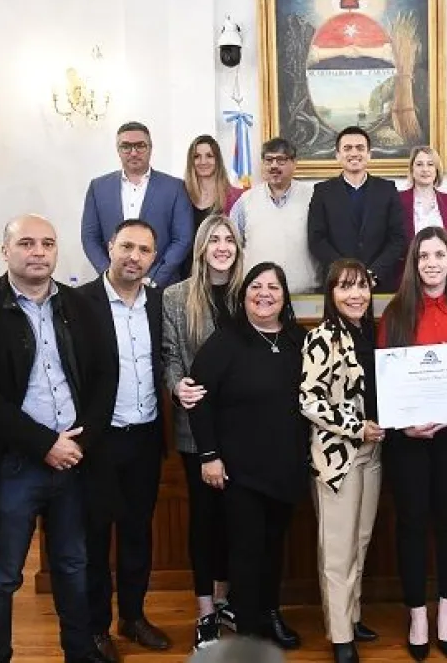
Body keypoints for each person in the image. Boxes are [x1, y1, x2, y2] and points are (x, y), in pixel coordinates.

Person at [0, 214, 111, 663]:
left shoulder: (82, 306)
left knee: (74, 567)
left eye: (47, 243)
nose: (38, 251)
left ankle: (80, 654)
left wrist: (81, 442)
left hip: (75, 461)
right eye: (26, 243)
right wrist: (44, 444)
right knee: (2, 575)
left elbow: (104, 379)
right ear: (6, 251)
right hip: (13, 464)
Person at [378, 228, 447, 660]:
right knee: (411, 526)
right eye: (423, 256)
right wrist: (405, 427)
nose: (431, 263)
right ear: (414, 263)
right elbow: (386, 383)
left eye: (439, 255)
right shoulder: (394, 313)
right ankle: (417, 615)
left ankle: (446, 611)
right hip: (409, 442)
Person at [188, 263, 309, 651]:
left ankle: (270, 613)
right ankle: (250, 632)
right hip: (239, 473)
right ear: (244, 295)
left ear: (284, 296)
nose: (264, 293)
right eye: (256, 286)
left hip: (285, 468)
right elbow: (197, 400)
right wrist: (209, 456)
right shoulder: (227, 340)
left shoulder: (297, 340)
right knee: (246, 551)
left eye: (274, 287)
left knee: (275, 548)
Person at [77, 219, 169, 660]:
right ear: (110, 247)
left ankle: (132, 617)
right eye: (127, 246)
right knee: (96, 538)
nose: (134, 256)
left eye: (144, 250)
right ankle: (96, 628)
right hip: (99, 442)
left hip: (147, 437)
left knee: (137, 533)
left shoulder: (158, 304)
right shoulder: (78, 303)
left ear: (154, 257)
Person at [162, 215, 245, 650]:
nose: (221, 246)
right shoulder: (177, 296)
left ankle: (226, 598)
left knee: (235, 519)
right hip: (196, 426)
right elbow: (170, 354)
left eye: (228, 239)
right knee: (204, 522)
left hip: (240, 428)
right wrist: (177, 385)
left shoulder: (248, 293)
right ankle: (205, 612)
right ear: (200, 247)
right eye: (214, 239)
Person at [300, 259, 384, 663]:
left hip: (375, 453)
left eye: (362, 286)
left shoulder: (373, 332)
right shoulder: (321, 337)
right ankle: (339, 636)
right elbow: (309, 400)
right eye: (346, 287)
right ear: (331, 294)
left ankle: (351, 615)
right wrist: (356, 426)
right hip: (339, 457)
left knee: (361, 541)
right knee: (337, 549)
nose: (356, 294)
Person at [81, 121, 194, 287]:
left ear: (150, 148)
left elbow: (182, 239)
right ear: (118, 150)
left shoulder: (175, 187)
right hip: (111, 288)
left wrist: (153, 279)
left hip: (160, 288)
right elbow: (90, 237)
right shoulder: (98, 187)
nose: (133, 153)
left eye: (140, 146)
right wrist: (110, 275)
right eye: (126, 146)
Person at [307, 126, 405, 291]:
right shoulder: (322, 191)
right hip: (337, 282)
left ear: (369, 154)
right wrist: (345, 271)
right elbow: (317, 240)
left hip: (379, 283)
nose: (354, 153)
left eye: (360, 148)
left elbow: (397, 239)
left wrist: (373, 273)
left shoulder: (387, 189)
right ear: (338, 155)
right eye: (347, 148)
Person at [231, 137, 319, 294]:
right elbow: (232, 246)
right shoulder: (245, 201)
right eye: (268, 160)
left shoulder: (313, 198)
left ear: (294, 163)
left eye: (281, 160)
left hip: (305, 293)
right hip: (258, 295)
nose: (273, 166)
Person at [179, 134, 245, 280]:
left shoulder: (237, 197)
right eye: (196, 156)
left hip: (221, 274)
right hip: (184, 274)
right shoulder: (179, 194)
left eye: (209, 156)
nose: (203, 161)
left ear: (218, 160)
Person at [397, 146, 447, 282]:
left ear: (437, 170)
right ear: (412, 170)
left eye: (430, 164)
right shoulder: (397, 200)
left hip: (442, 276)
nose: (425, 169)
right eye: (419, 164)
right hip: (408, 276)